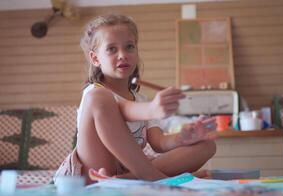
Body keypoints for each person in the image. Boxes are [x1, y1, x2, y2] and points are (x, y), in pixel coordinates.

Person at [54, 13, 217, 184]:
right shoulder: (94, 93)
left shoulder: (141, 99)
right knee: (100, 98)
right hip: (91, 175)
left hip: (126, 172)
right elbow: (124, 109)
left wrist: (182, 138)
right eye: (111, 49)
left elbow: (158, 143)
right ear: (95, 58)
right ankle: (157, 179)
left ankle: (128, 180)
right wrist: (151, 109)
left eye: (129, 47)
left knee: (206, 146)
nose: (123, 54)